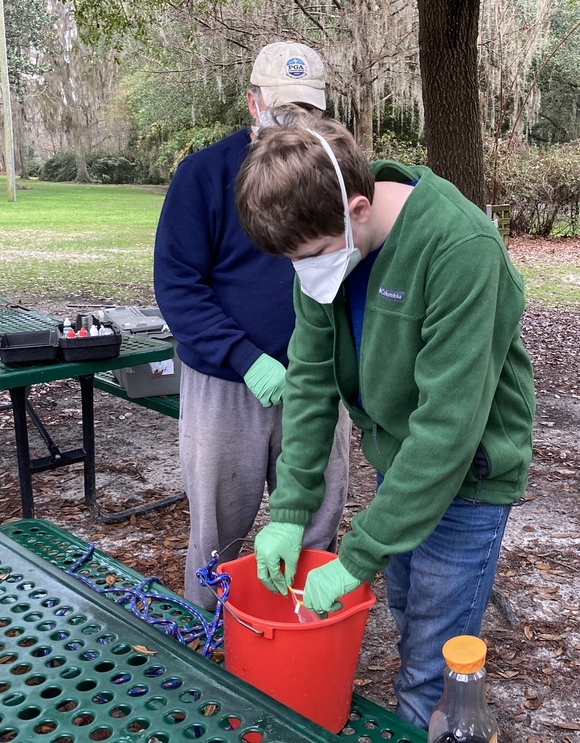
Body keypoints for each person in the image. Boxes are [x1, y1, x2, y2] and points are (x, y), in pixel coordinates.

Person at [234, 118, 535, 729]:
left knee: (430, 666)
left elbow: (447, 431)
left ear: (358, 208)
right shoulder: (323, 254)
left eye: (313, 256)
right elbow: (313, 385)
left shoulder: (459, 249)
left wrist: (357, 555)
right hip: (402, 468)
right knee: (405, 612)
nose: (306, 272)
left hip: (467, 478)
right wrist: (289, 513)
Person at [153, 43, 352, 612]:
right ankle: (206, 635)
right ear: (253, 103)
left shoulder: (334, 174)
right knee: (218, 528)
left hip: (315, 380)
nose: (294, 123)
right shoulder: (203, 176)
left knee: (316, 518)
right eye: (282, 108)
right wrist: (243, 356)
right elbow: (177, 285)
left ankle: (303, 631)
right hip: (227, 385)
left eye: (306, 111)